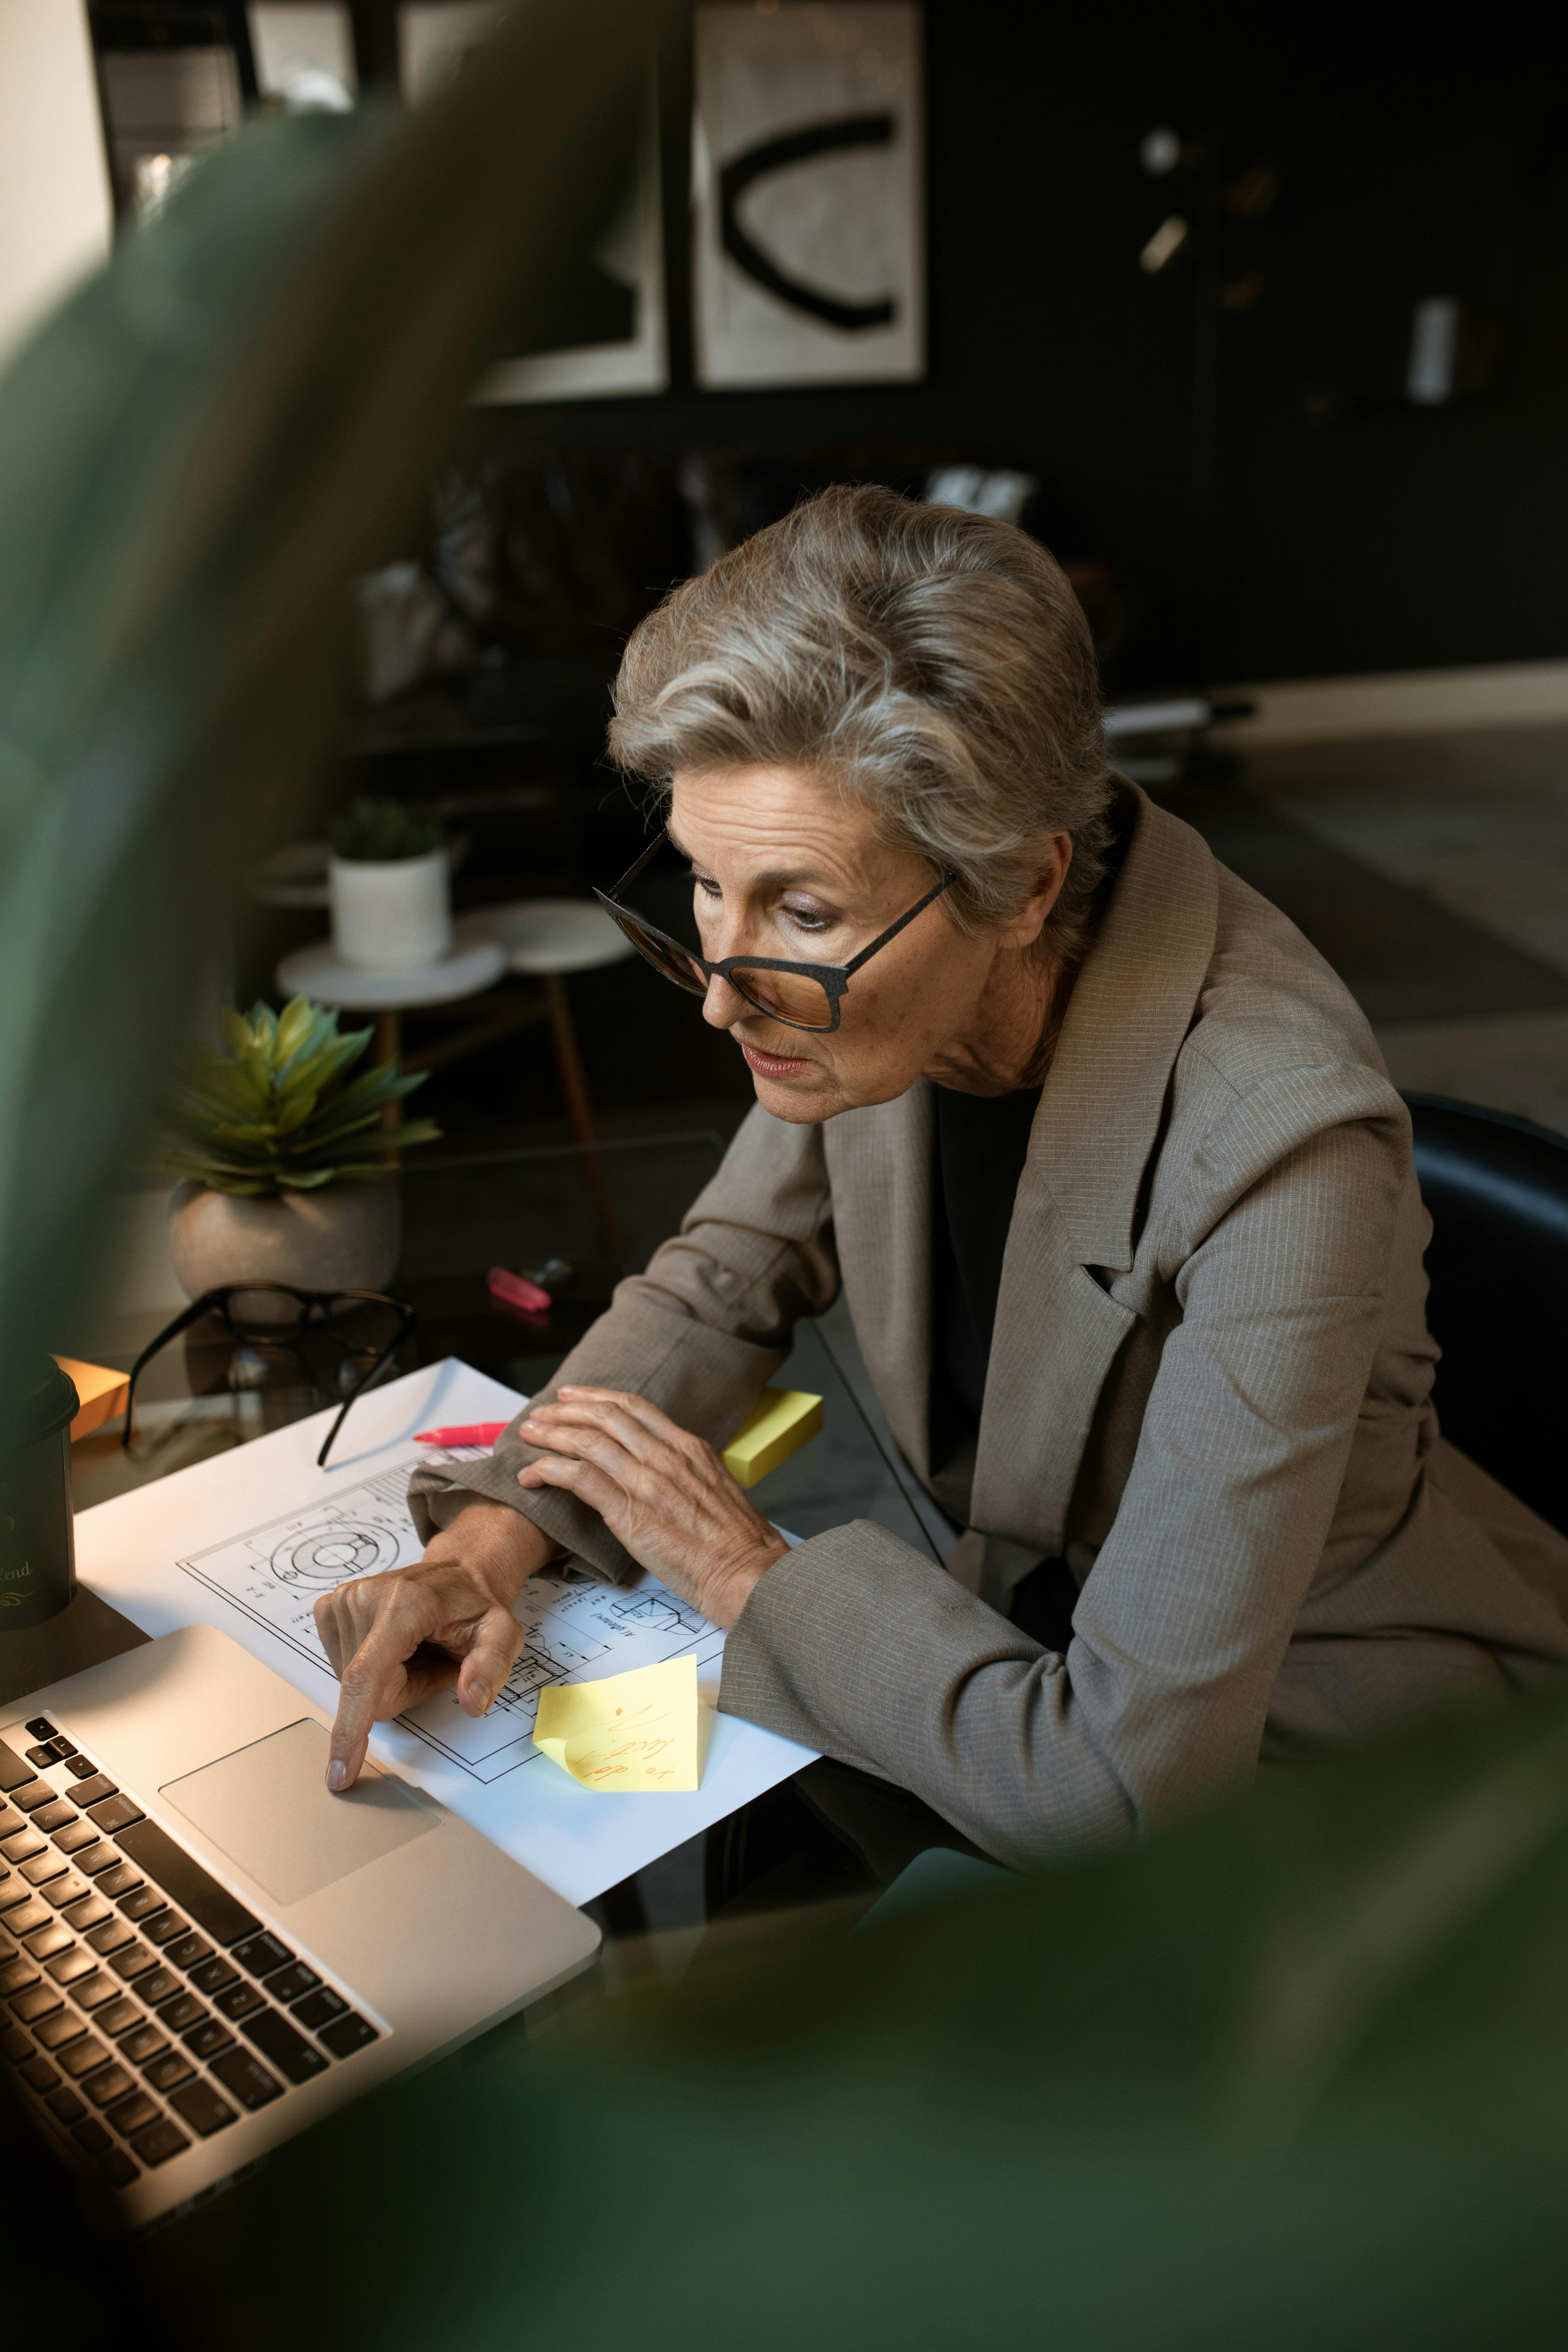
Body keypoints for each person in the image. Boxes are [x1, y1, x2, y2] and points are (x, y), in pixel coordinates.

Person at [314, 486, 1568, 1870]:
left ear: (1024, 888)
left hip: (1313, 1774)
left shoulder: (1282, 1149)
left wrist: (739, 1568)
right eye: (698, 884)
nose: (719, 1004)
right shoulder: (870, 983)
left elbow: (1121, 1792)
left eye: (798, 908)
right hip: (1013, 1648)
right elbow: (720, 1281)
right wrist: (488, 1541)